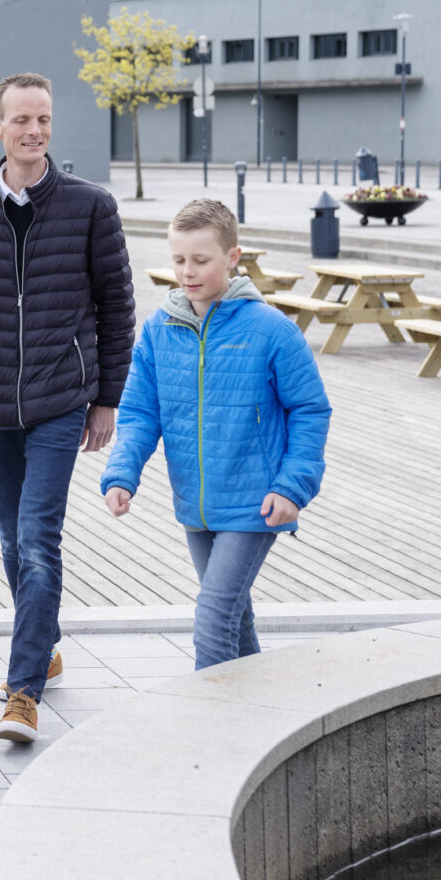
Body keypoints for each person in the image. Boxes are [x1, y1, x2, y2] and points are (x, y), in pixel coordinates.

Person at [0, 72, 136, 744]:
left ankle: (23, 691)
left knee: (38, 538)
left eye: (43, 119)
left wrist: (106, 398)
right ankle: (41, 642)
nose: (34, 130)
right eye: (21, 120)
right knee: (13, 538)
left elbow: (117, 311)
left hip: (58, 401)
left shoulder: (89, 207)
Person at [98, 199, 330, 669]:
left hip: (256, 502)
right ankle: (261, 725)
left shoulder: (270, 330)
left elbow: (310, 410)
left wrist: (292, 487)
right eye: (179, 259)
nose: (188, 271)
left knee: (213, 617)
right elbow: (141, 412)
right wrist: (122, 473)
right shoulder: (159, 331)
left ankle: (212, 728)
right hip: (196, 505)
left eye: (201, 260)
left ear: (232, 257)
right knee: (233, 619)